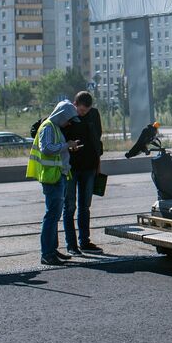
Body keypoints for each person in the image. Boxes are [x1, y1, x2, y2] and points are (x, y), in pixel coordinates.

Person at [27, 99, 82, 266]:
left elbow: (55, 149)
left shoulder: (55, 127)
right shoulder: (49, 127)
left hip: (58, 176)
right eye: (68, 120)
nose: (69, 124)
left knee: (54, 215)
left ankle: (52, 250)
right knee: (51, 216)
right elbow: (47, 148)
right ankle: (47, 253)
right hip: (52, 178)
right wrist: (67, 145)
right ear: (61, 115)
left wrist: (68, 147)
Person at [62, 90, 104, 255]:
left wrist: (98, 165)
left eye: (86, 111)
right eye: (80, 110)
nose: (83, 113)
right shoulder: (66, 114)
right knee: (70, 207)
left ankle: (84, 241)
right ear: (75, 104)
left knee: (85, 207)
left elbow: (97, 140)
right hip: (71, 169)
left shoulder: (94, 115)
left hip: (90, 167)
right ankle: (71, 245)